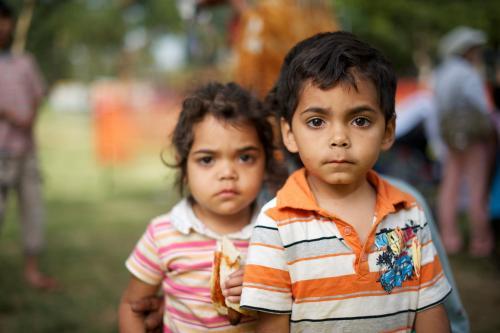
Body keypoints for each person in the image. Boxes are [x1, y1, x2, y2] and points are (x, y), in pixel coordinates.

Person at [239, 31, 452, 332]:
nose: (339, 138)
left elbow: (430, 310)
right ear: (289, 133)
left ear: (388, 130)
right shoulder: (276, 224)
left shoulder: (408, 213)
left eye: (360, 120)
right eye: (317, 121)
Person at [118, 82, 284, 332]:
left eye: (245, 157)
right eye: (207, 159)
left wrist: (266, 288)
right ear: (184, 168)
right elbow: (132, 306)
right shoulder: (162, 235)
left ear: (266, 163)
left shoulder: (279, 234)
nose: (227, 173)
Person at [0, 1, 57, 290]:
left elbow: (37, 95)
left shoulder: (24, 62)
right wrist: (10, 114)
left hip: (26, 152)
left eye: (4, 20)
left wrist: (28, 118)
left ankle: (32, 270)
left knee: (32, 210)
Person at [433, 26, 496, 256]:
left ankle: (449, 239)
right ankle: (481, 241)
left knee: (449, 187)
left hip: (450, 138)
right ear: (468, 51)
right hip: (473, 139)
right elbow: (481, 106)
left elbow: (437, 109)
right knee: (477, 189)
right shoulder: (469, 74)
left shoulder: (441, 73)